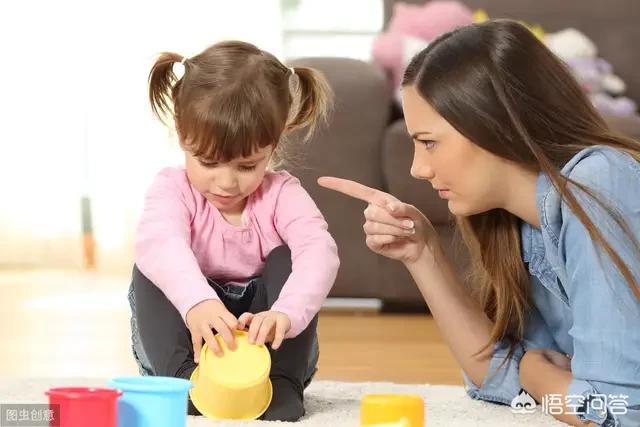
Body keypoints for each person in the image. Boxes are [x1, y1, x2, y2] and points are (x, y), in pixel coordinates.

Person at [319, 20, 640, 426]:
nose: (418, 168)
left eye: (429, 142)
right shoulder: (521, 225)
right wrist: (422, 253)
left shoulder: (598, 184)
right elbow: (497, 380)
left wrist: (535, 376)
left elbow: (614, 413)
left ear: (494, 124)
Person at [128, 40, 340, 421]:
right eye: (208, 161)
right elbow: (160, 243)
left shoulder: (282, 194)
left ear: (273, 144)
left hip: (267, 358)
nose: (226, 183)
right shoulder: (172, 189)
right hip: (188, 346)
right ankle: (181, 382)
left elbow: (318, 251)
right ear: (180, 133)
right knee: (153, 259)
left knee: (288, 257)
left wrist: (287, 314)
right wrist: (197, 302)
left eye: (246, 166)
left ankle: (282, 383)